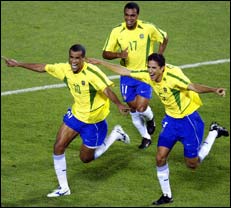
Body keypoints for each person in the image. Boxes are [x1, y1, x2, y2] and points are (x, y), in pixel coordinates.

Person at [86, 54, 229, 205]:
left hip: (189, 122)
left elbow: (193, 87)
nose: (150, 71)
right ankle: (167, 196)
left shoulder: (173, 76)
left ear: (162, 67)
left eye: (154, 68)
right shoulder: (148, 75)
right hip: (171, 121)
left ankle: (214, 131)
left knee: (192, 164)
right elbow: (125, 72)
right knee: (160, 157)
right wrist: (101, 62)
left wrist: (214, 90)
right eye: (148, 67)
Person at [3, 44, 131, 198]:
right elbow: (42, 67)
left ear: (83, 58)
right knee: (58, 146)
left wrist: (118, 104)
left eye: (78, 58)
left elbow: (106, 90)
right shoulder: (65, 69)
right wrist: (19, 64)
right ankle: (64, 188)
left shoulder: (92, 72)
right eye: (71, 57)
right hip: (77, 115)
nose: (74, 61)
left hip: (94, 122)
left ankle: (115, 135)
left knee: (86, 158)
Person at [102, 2, 168, 149]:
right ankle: (146, 137)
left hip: (145, 74)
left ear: (137, 15)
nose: (129, 18)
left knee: (141, 107)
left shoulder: (148, 28)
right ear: (124, 15)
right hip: (126, 75)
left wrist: (158, 57)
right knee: (133, 108)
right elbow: (105, 53)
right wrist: (119, 54)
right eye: (127, 15)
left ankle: (150, 120)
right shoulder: (117, 31)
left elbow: (164, 38)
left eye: (132, 15)